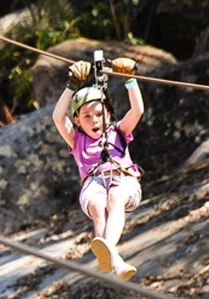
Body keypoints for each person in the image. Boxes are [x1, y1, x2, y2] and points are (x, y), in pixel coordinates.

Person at [51, 57, 145, 281]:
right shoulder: (76, 140)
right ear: (77, 120)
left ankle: (109, 251)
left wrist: (130, 80)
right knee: (98, 203)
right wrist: (71, 86)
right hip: (94, 185)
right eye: (86, 116)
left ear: (109, 115)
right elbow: (57, 117)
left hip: (123, 182)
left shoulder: (118, 132)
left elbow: (138, 110)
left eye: (98, 114)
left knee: (115, 196)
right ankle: (114, 259)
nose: (94, 121)